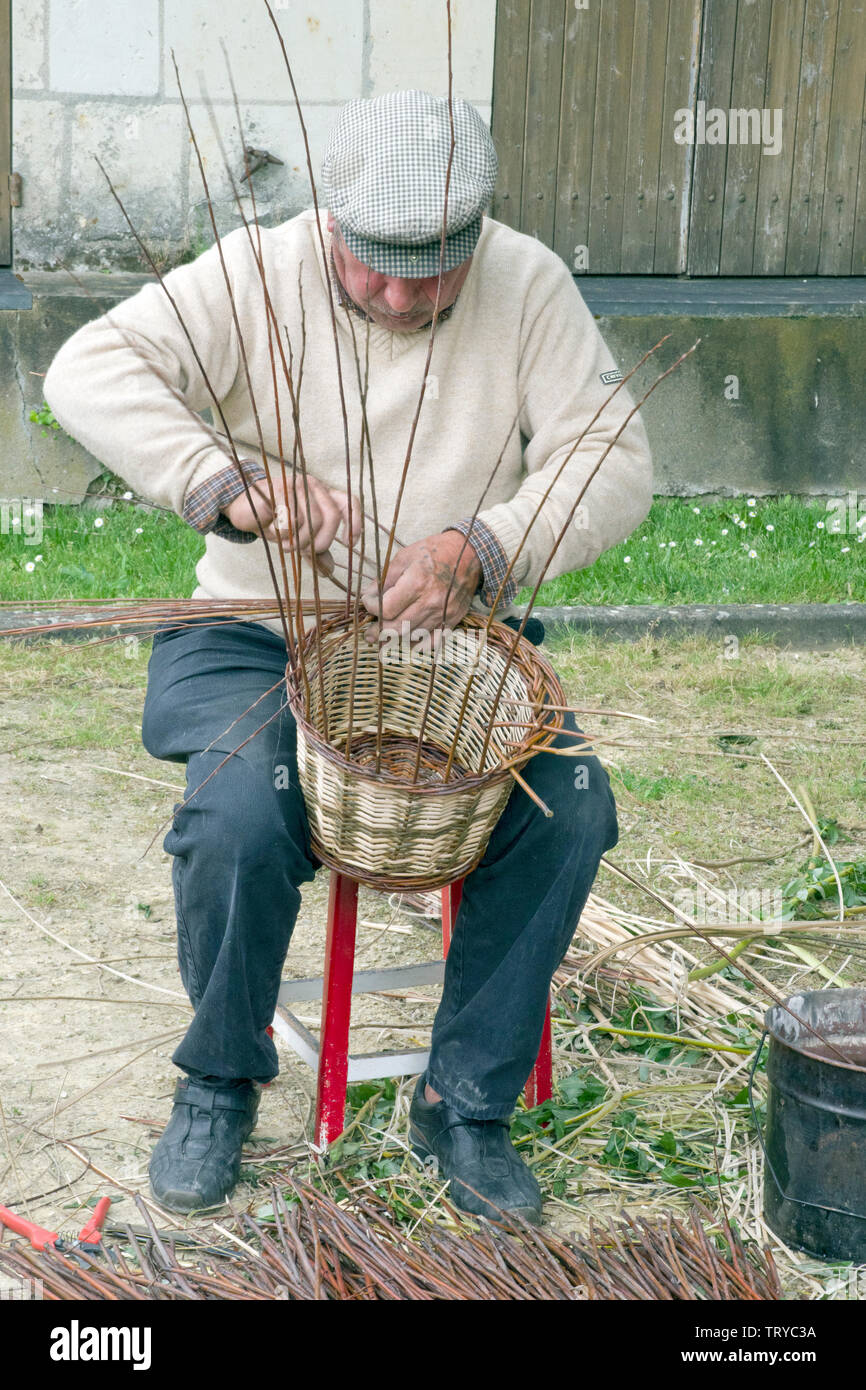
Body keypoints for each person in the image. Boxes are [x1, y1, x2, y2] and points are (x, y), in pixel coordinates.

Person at [43, 90, 652, 1223]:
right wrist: (226, 485)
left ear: (476, 236)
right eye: (375, 266)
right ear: (331, 225)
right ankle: (219, 1079)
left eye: (434, 270)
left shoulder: (527, 286)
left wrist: (485, 545)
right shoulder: (254, 273)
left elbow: (614, 462)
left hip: (451, 646)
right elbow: (84, 370)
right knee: (238, 805)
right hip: (252, 632)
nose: (403, 294)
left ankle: (464, 1101)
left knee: (569, 800)